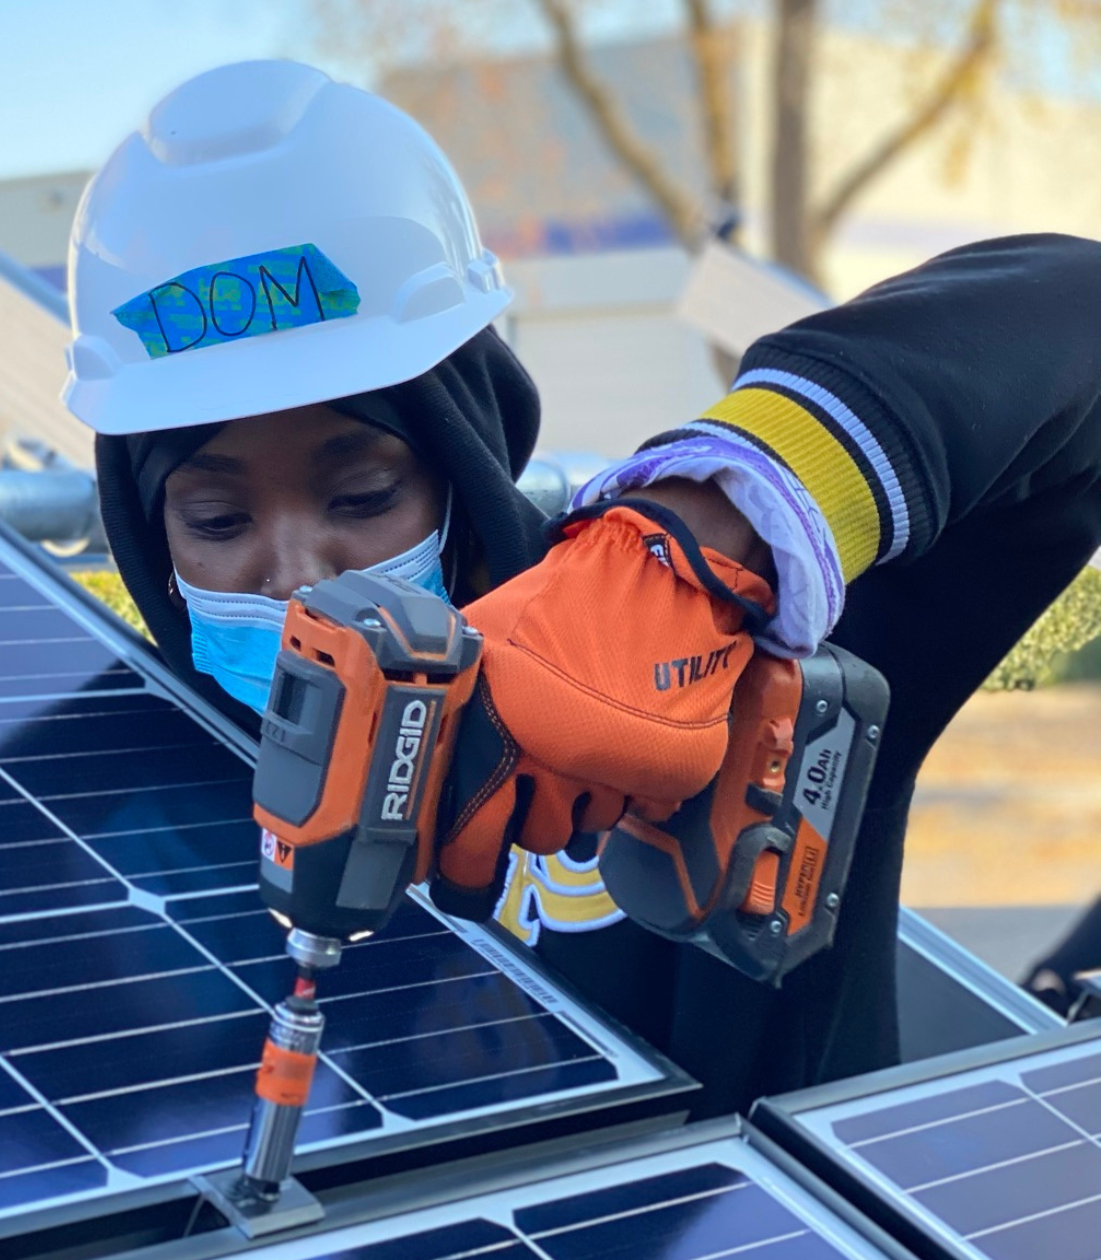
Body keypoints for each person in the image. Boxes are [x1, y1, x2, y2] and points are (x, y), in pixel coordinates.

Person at [64, 59, 1101, 1117]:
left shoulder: (712, 659)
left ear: (466, 454)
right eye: (217, 521)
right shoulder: (84, 789)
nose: (296, 574)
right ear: (147, 534)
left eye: (364, 493)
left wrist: (694, 544)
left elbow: (1076, 311)